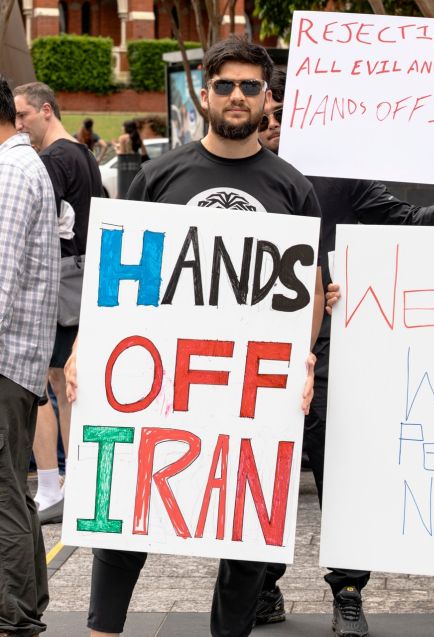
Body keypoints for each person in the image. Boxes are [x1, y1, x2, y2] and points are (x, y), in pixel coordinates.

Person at [79, 36, 325, 637]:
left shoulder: (293, 188)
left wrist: (305, 358)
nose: (236, 96)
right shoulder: (160, 176)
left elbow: (313, 285)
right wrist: (90, 343)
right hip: (161, 377)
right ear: (204, 93)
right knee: (128, 511)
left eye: (249, 86)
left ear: (268, 98)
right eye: (225, 85)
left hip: (250, 385)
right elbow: (120, 272)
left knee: (245, 528)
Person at [255, 67, 434, 637]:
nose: (275, 123)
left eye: (285, 114)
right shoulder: (233, 178)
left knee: (337, 470)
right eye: (269, 112)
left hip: (326, 350)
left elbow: (403, 220)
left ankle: (348, 591)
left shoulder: (337, 178)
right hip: (249, 353)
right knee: (258, 468)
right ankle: (256, 584)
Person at [13, 81, 102, 525]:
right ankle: (74, 484)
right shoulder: (83, 153)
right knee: (67, 388)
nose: (19, 123)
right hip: (83, 281)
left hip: (59, 282)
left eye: (23, 115)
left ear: (45, 111)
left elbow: (36, 222)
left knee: (42, 387)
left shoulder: (51, 159)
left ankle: (51, 486)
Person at [0, 74, 58, 637]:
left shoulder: (10, 173)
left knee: (2, 493)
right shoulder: (20, 167)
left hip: (4, 360)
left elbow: (0, 276)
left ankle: (11, 612)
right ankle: (26, 602)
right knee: (11, 487)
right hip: (16, 359)